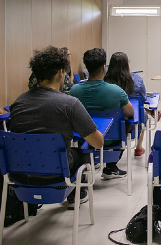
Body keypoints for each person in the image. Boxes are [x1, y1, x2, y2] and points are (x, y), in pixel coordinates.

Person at [9, 46, 104, 208]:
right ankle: (77, 195)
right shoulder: (69, 104)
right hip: (57, 172)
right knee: (83, 153)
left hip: (19, 173)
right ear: (61, 73)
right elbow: (98, 142)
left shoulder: (18, 102)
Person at [70, 48, 134, 179]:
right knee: (126, 124)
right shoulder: (116, 91)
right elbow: (130, 113)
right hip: (111, 140)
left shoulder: (74, 91)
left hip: (83, 139)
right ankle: (111, 166)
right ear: (104, 67)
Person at [104, 51, 147, 156]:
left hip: (106, 125)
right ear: (127, 64)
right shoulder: (137, 80)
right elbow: (143, 98)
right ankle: (138, 147)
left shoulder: (104, 81)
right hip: (130, 123)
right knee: (143, 114)